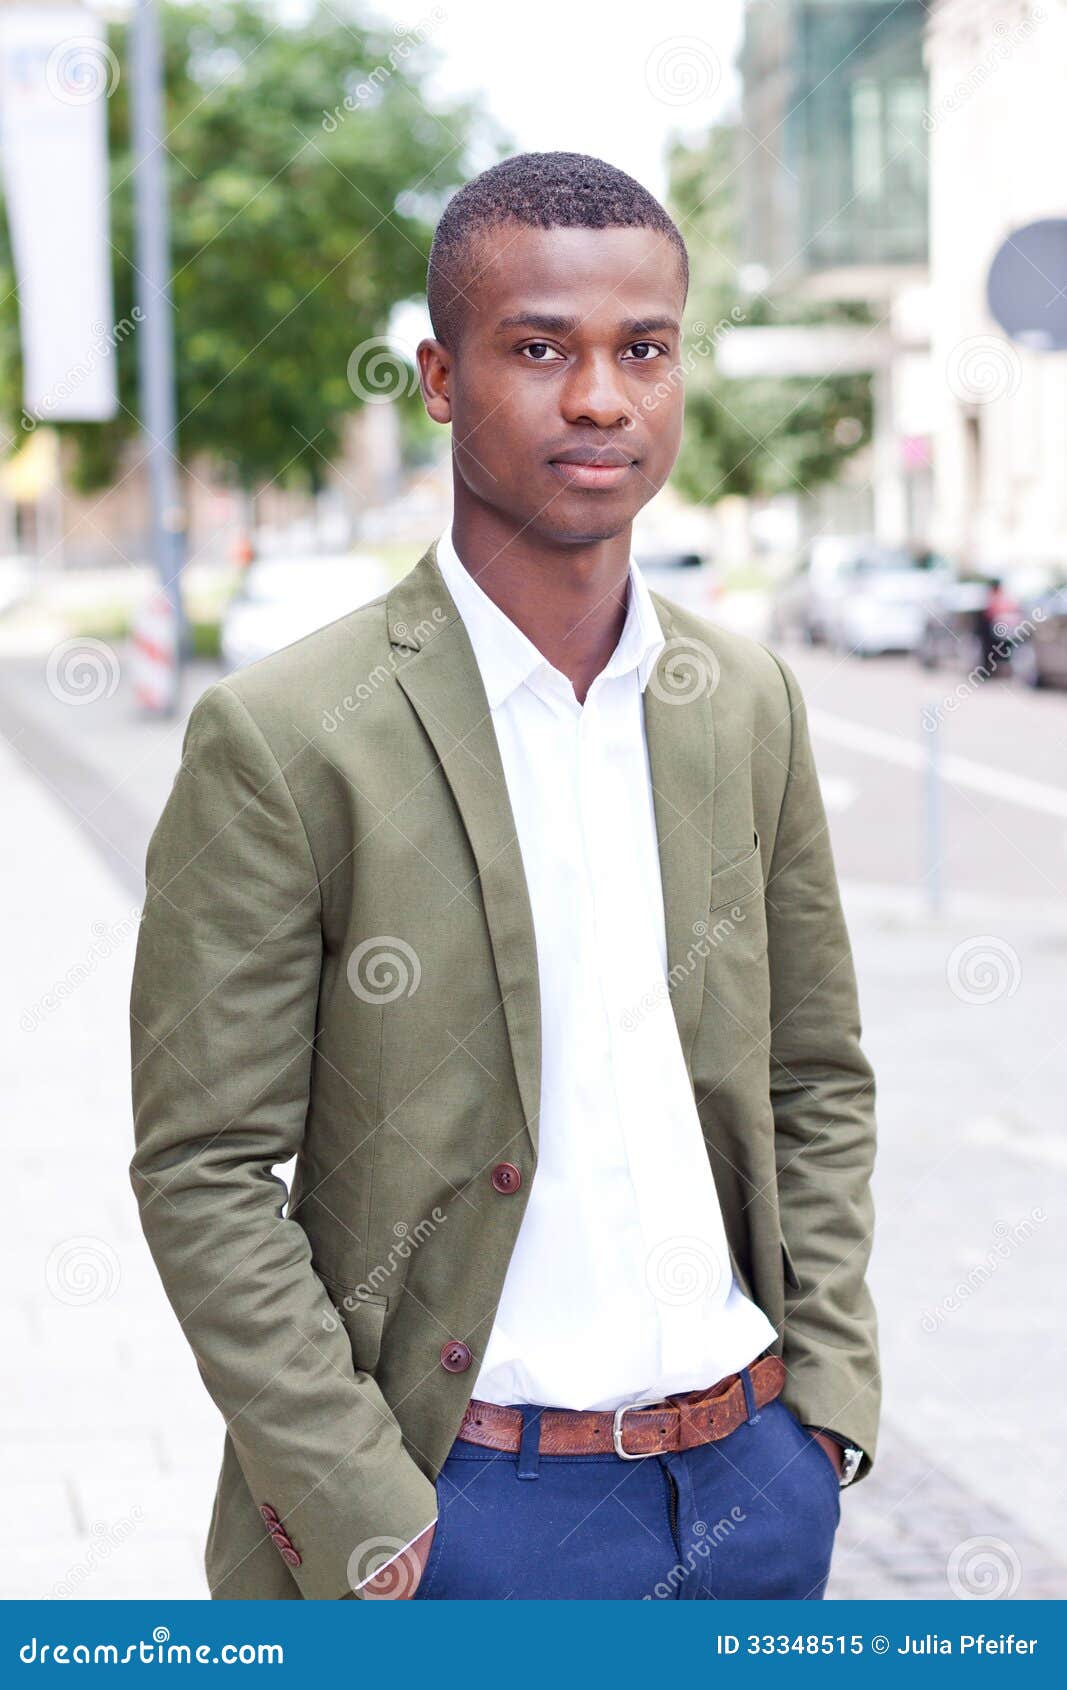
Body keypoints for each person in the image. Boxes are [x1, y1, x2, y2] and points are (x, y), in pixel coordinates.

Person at [129, 152, 879, 1603]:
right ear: (440, 377)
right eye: (540, 348)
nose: (601, 397)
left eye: (642, 350)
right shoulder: (289, 739)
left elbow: (817, 1075)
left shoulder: (744, 700)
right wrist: (371, 1508)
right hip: (469, 1512)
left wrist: (827, 1400)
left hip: (750, 1492)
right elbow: (203, 1167)